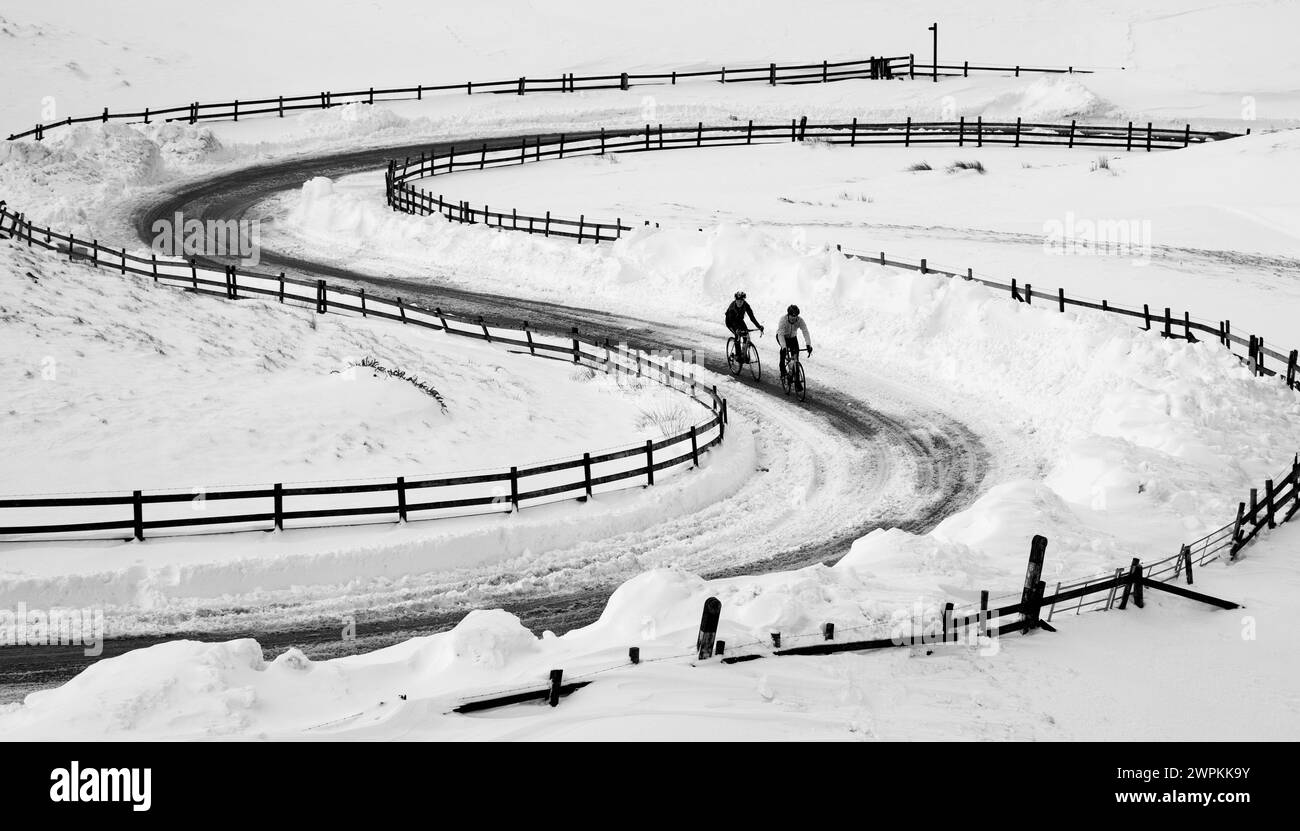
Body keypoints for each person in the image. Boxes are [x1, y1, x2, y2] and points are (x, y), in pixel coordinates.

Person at [776, 304, 812, 388]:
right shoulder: (783, 320)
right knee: (783, 353)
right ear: (788, 314)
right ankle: (782, 371)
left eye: (795, 316)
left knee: (795, 358)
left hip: (792, 338)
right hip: (782, 337)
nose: (794, 318)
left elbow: (805, 331)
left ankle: (797, 381)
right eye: (792, 316)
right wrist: (784, 347)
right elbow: (780, 335)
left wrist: (808, 344)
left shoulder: (799, 320)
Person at [723, 291, 763, 363]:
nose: (739, 303)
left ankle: (744, 354)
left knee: (746, 334)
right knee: (737, 334)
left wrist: (759, 326)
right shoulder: (732, 307)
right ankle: (738, 355)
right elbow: (732, 322)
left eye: (741, 301)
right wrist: (737, 330)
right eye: (738, 301)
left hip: (739, 320)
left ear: (744, 301)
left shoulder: (746, 305)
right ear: (735, 300)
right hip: (730, 322)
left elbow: (752, 317)